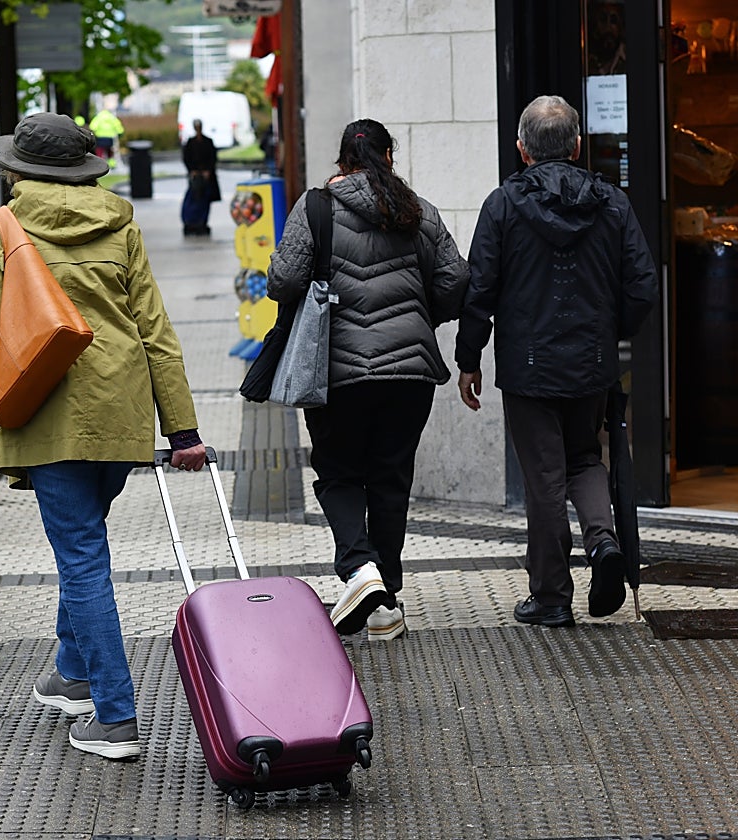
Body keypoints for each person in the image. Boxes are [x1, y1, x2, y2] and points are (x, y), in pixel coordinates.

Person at [0, 112, 207, 759]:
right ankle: (71, 674)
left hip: (50, 411)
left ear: (20, 168)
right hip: (121, 412)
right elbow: (153, 326)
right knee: (85, 542)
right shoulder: (119, 223)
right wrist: (182, 427)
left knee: (81, 558)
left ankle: (115, 715)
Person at [455, 94, 658, 628]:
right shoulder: (611, 202)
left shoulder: (502, 204)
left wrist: (469, 357)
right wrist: (612, 331)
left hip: (528, 365)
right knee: (586, 458)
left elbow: (479, 288)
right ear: (576, 146)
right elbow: (642, 285)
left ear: (522, 150)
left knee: (544, 476)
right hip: (591, 360)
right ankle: (603, 542)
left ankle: (550, 596)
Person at [267, 118, 470, 641]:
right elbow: (456, 278)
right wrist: (423, 317)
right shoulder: (417, 210)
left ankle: (361, 570)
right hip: (410, 372)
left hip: (336, 371)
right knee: (390, 477)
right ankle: (386, 604)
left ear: (341, 161)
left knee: (337, 472)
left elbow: (284, 281)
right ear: (388, 157)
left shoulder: (315, 208)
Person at [181, 118, 221, 237]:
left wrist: (207, 171)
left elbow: (213, 158)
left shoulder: (208, 141)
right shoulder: (190, 142)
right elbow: (186, 158)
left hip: (206, 176)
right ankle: (192, 222)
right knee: (193, 199)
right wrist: (192, 171)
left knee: (204, 200)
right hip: (195, 177)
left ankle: (201, 222)